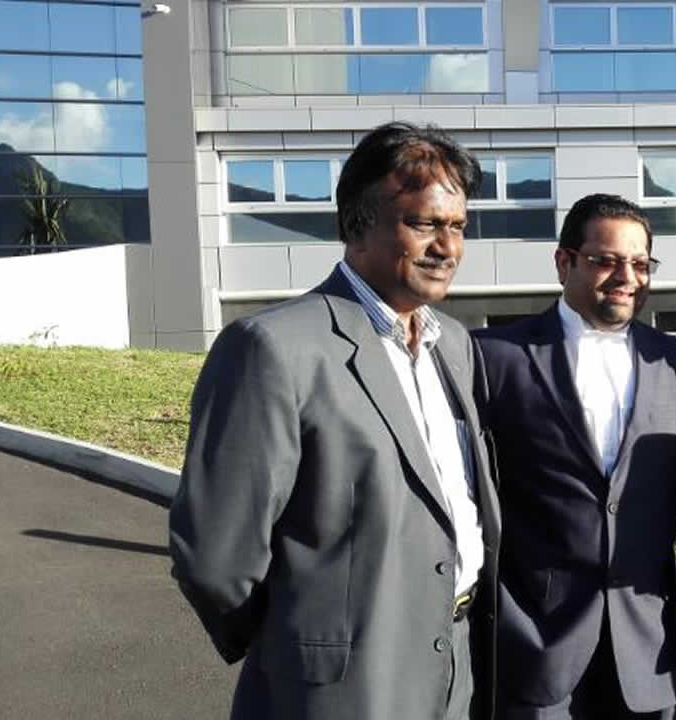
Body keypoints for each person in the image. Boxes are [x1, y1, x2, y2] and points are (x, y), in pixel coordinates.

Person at [169, 122, 500, 720]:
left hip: (454, 663)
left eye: (457, 227)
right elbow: (216, 558)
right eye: (423, 224)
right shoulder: (272, 348)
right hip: (336, 689)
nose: (446, 247)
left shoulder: (453, 344)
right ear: (356, 224)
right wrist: (300, 647)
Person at [473, 193, 676, 720]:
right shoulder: (492, 356)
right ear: (564, 261)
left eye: (640, 264)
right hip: (534, 647)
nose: (627, 277)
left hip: (650, 648)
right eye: (606, 260)